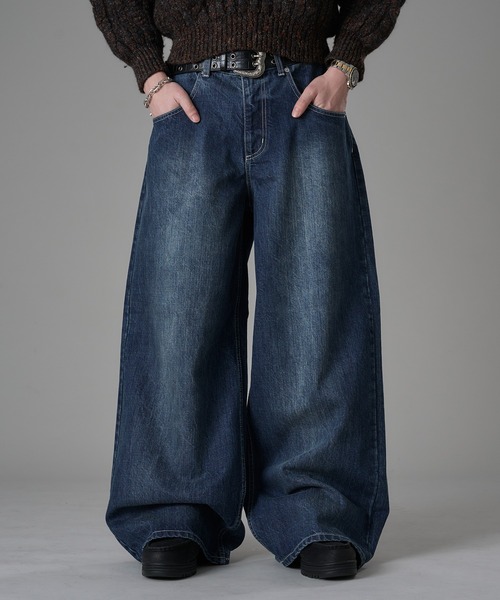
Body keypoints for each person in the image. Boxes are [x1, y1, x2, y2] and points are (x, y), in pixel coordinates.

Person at [89, 0, 405, 581]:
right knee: (177, 312)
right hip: (192, 99)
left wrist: (345, 64)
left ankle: (318, 508)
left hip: (303, 93)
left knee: (316, 310)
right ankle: (175, 506)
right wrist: (151, 76)